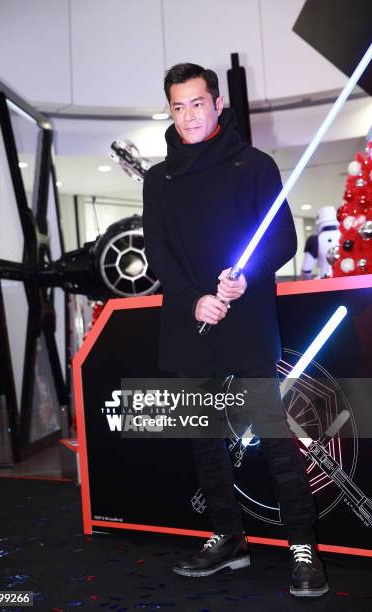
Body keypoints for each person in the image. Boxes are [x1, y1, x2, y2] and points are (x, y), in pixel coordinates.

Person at [142, 63, 328, 598]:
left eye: (197, 103)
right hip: (190, 321)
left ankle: (302, 547)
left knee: (272, 435)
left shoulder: (254, 164)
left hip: (245, 322)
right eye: (178, 107)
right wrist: (192, 300)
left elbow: (283, 240)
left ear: (218, 104)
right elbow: (159, 250)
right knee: (204, 440)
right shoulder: (160, 178)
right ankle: (227, 539)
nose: (188, 116)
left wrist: (244, 278)